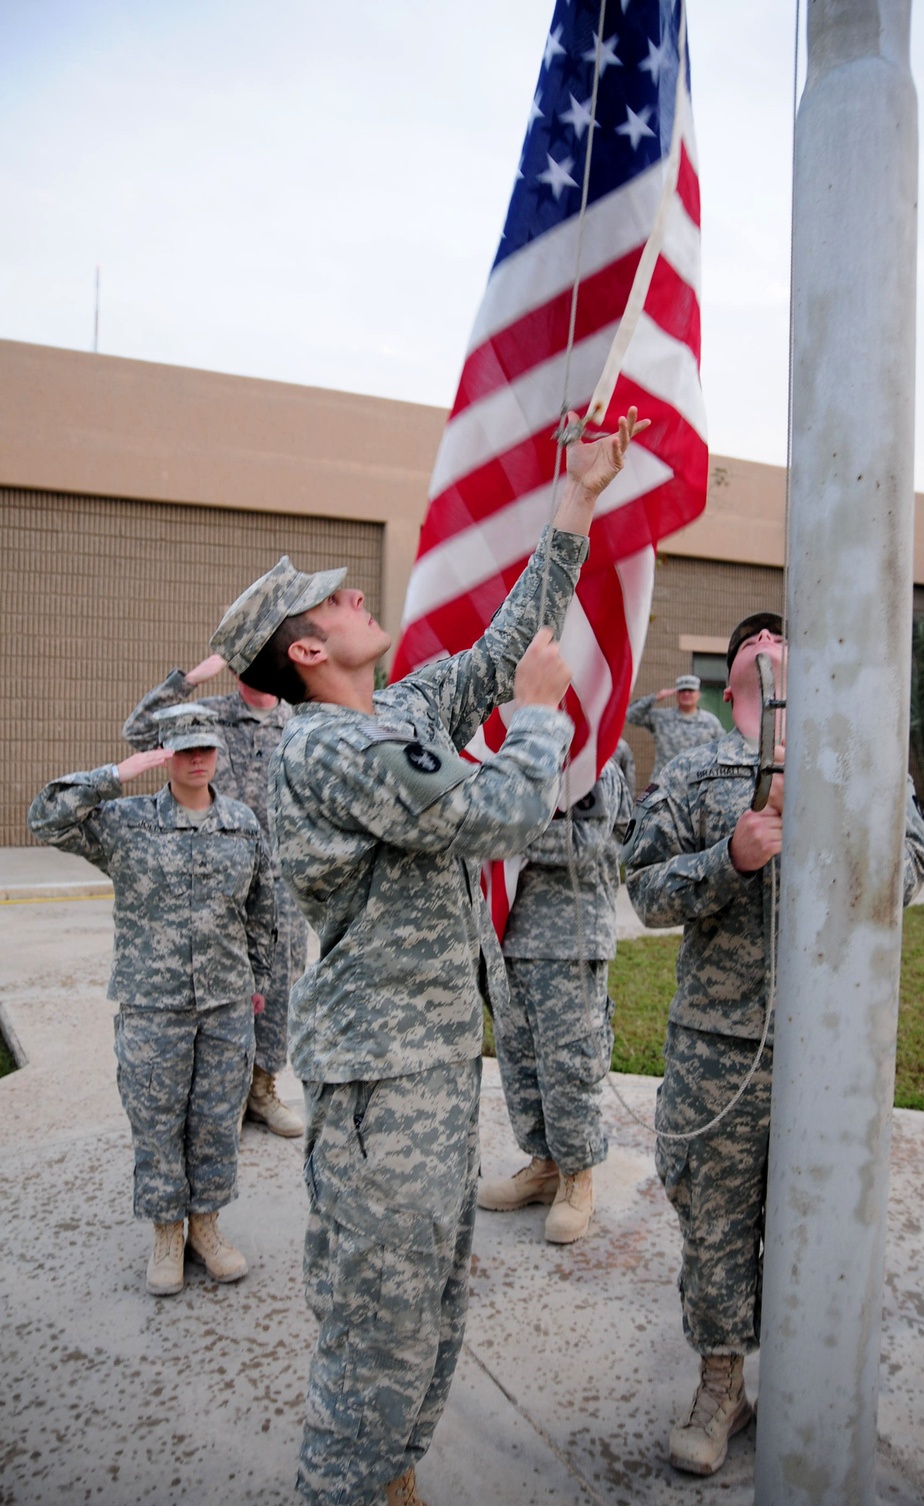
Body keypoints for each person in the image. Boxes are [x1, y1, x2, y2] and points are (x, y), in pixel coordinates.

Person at [208, 408, 648, 1506]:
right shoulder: (335, 746)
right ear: (306, 651)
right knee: (379, 1336)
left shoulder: (391, 710)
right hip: (382, 1085)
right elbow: (503, 809)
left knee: (434, 1306)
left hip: (429, 1068)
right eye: (334, 598)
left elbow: (501, 653)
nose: (357, 592)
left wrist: (576, 500)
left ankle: (391, 1482)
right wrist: (539, 724)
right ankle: (353, 1483)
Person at [622, 612, 924, 1477]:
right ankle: (723, 1383)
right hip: (720, 1047)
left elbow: (906, 862)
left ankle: (817, 1380)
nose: (768, 643)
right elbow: (643, 889)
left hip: (830, 1046)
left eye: (784, 637)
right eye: (752, 641)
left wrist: (831, 845)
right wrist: (729, 858)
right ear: (732, 676)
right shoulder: (691, 768)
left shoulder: (860, 757)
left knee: (826, 1220)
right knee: (713, 1221)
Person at [27, 704, 276, 1297]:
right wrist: (115, 774)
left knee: (217, 1121)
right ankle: (167, 1231)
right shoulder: (124, 821)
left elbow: (263, 910)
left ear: (218, 753)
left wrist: (258, 980)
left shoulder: (242, 823)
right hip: (152, 1004)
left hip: (225, 1004)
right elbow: (46, 818)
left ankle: (206, 1228)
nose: (196, 759)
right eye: (184, 748)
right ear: (165, 754)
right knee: (157, 1121)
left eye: (205, 748)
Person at [122, 654, 307, 1137]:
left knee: (280, 984)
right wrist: (187, 681)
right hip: (214, 881)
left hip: (281, 882)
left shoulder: (299, 721)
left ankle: (262, 1089)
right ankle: (217, 1096)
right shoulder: (208, 717)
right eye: (249, 657)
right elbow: (139, 732)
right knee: (214, 988)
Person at [478, 749, 632, 1243]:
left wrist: (504, 830)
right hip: (512, 934)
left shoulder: (593, 763)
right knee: (521, 1064)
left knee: (569, 1066)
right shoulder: (510, 755)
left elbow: (584, 843)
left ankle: (577, 1176)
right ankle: (544, 1165)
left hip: (568, 938)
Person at [626, 673, 724, 784]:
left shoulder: (710, 722)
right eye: (682, 690)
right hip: (665, 784)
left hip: (697, 785)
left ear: (698, 694)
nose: (686, 694)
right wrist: (655, 697)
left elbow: (721, 751)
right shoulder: (662, 717)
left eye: (690, 690)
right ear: (676, 694)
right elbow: (630, 715)